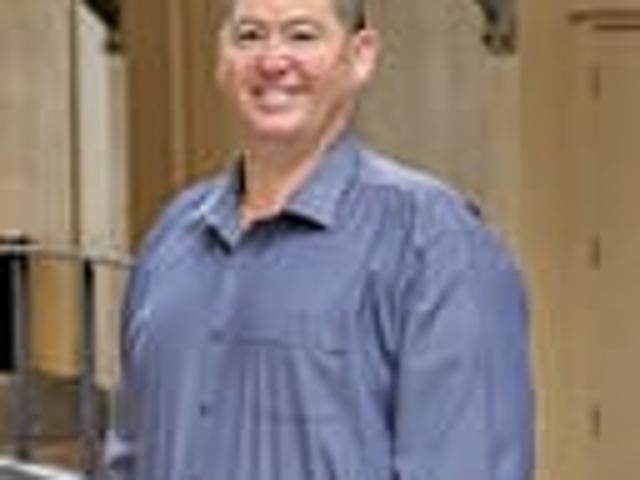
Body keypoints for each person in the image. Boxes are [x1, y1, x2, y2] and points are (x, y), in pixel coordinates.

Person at [105, 0, 534, 478]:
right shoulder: (173, 238)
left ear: (360, 56)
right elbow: (129, 457)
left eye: (302, 35)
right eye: (250, 35)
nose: (272, 60)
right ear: (222, 57)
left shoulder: (434, 245)